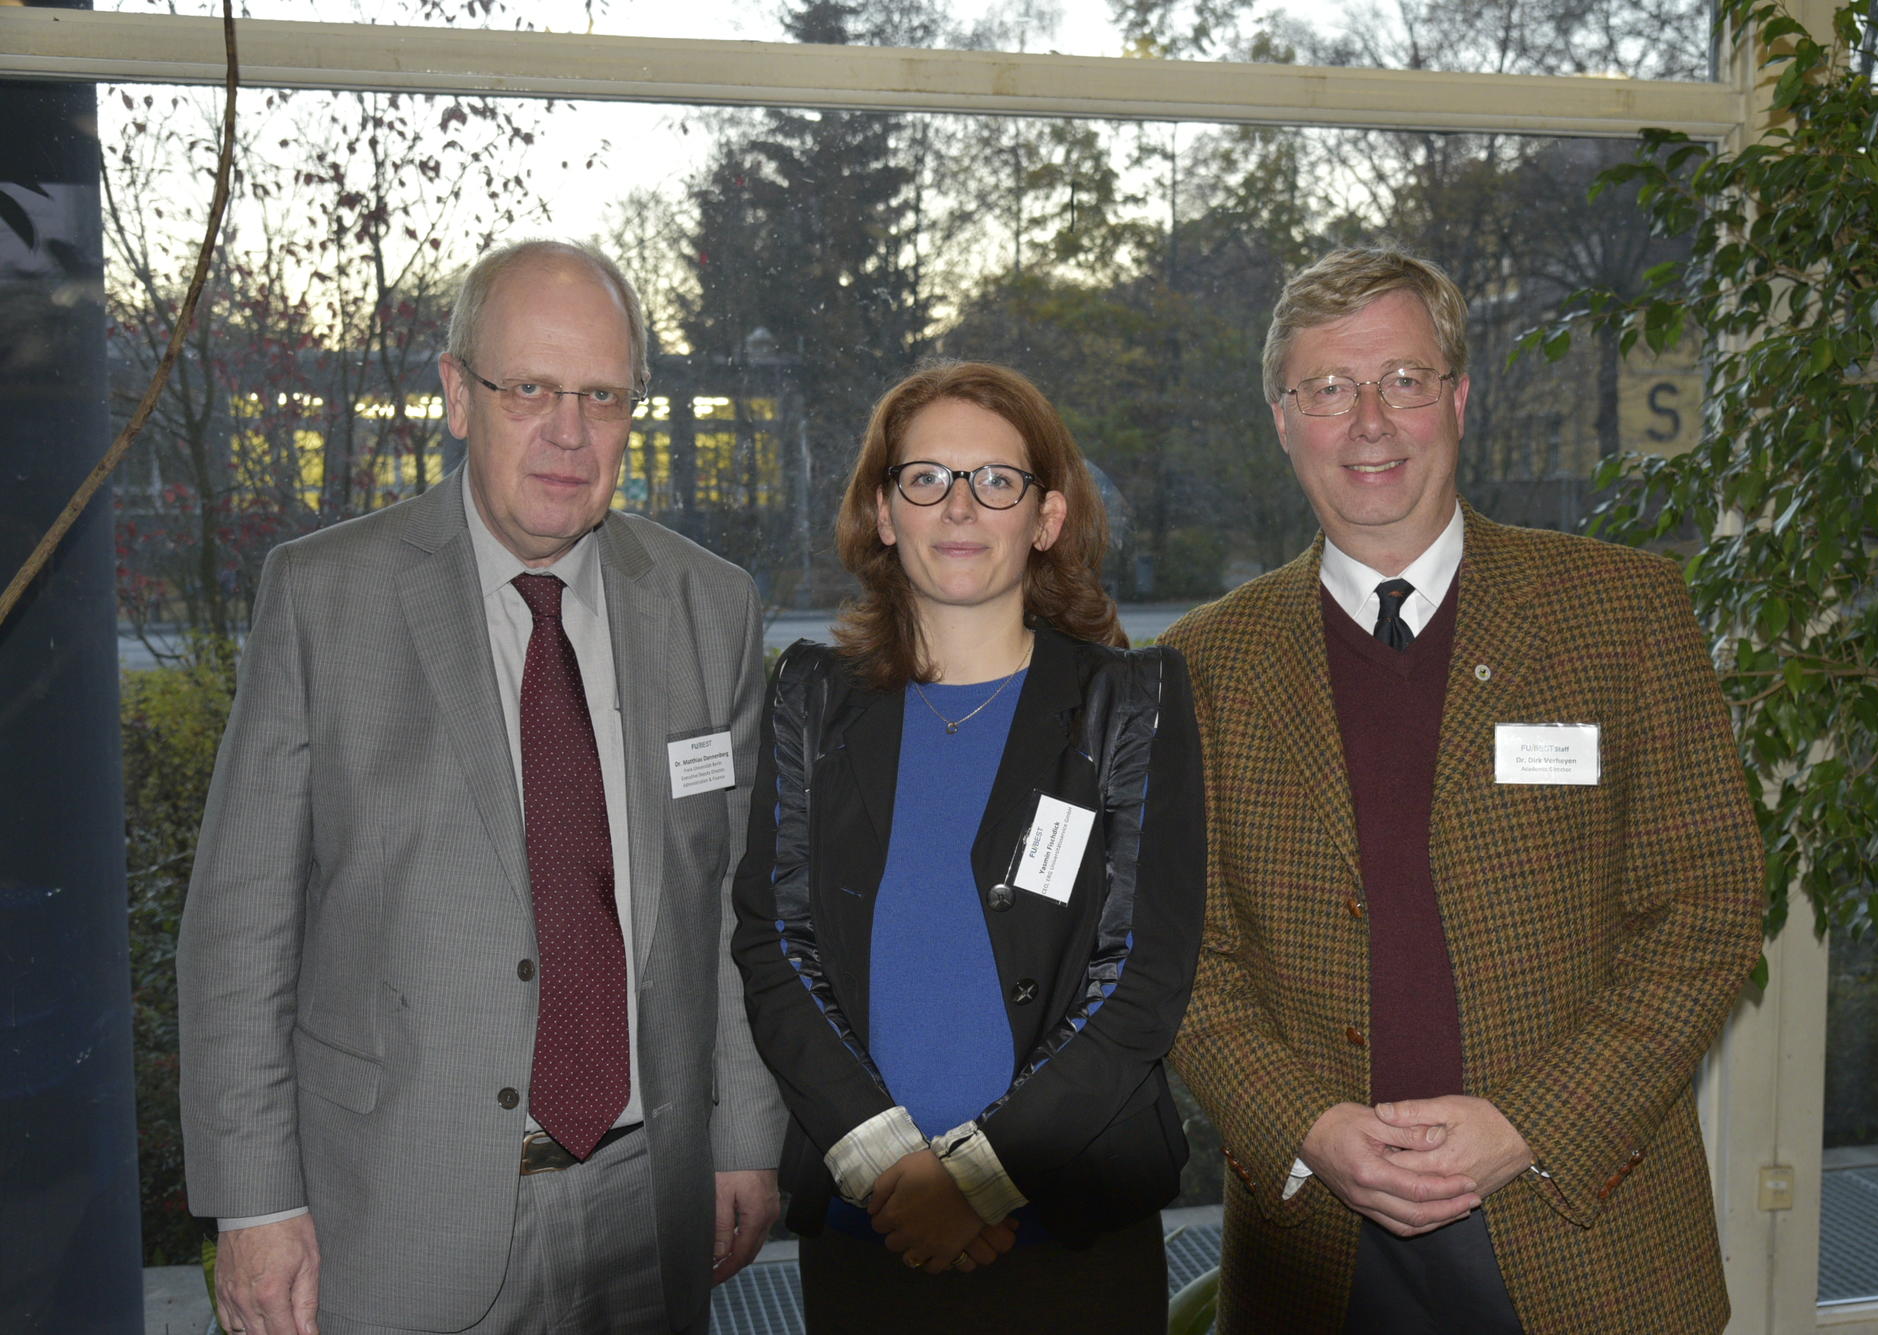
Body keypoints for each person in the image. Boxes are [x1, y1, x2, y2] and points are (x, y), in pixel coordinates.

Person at [177, 239, 785, 1335]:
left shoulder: (711, 607)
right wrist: (255, 1201)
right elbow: (238, 929)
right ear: (458, 394)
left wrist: (744, 1134)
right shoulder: (326, 597)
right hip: (397, 1203)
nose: (567, 429)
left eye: (602, 395)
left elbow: (736, 900)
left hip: (652, 1201)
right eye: (531, 388)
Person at [1161, 248, 1764, 1333]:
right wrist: (1303, 1124)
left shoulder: (1619, 612)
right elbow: (1182, 955)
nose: (1368, 423)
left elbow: (1707, 905)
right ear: (1281, 420)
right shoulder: (1205, 662)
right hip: (1317, 1245)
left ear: (1457, 398)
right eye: (1327, 390)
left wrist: (1532, 1121)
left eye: (1402, 379)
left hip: (1586, 1217)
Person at [731, 361, 1205, 1334]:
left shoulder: (1131, 701)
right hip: (872, 1225)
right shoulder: (811, 697)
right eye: (925, 478)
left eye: (994, 480)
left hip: (1068, 1227)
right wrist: (888, 1168)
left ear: (1044, 517)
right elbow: (774, 945)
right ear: (882, 509)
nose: (958, 506)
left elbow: (1139, 976)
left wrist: (980, 1181)